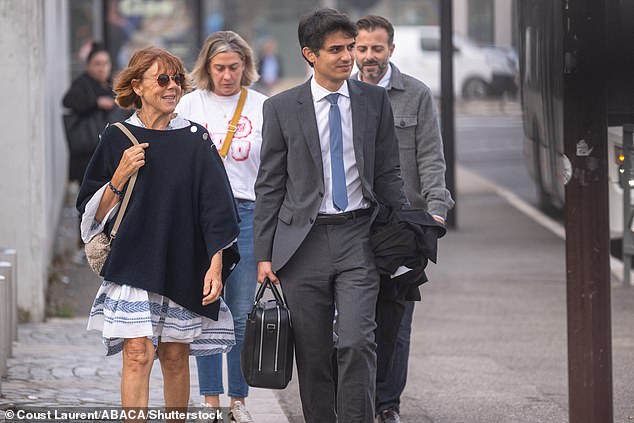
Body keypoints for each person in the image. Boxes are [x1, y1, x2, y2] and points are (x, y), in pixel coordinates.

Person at [253, 9, 408, 423]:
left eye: (350, 48)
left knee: (358, 341)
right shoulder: (282, 108)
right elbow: (269, 184)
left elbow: (389, 172)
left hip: (359, 236)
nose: (347, 57)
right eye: (336, 50)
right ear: (309, 54)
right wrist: (263, 255)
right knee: (314, 352)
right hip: (301, 245)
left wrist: (406, 234)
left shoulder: (374, 102)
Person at [76, 46, 240, 414]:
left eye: (177, 79)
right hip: (134, 260)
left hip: (184, 259)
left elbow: (216, 209)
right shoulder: (116, 136)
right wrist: (119, 175)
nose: (172, 87)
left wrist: (215, 265)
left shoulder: (196, 139)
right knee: (137, 353)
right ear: (137, 85)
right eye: (162, 79)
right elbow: (91, 214)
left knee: (175, 355)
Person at [354, 15, 455, 423]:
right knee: (355, 320)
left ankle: (387, 405)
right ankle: (356, 399)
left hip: (402, 225)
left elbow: (431, 157)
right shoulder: (344, 92)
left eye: (377, 48)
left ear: (391, 50)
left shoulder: (414, 94)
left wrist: (435, 210)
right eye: (361, 48)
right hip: (354, 223)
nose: (368, 56)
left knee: (396, 321)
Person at [176, 30, 267, 423]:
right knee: (208, 305)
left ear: (245, 66)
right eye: (219, 68)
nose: (227, 75)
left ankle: (239, 401)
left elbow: (274, 168)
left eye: (234, 67)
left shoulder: (264, 106)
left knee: (243, 309)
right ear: (206, 68)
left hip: (247, 211)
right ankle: (211, 400)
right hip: (200, 217)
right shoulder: (189, 104)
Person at [63, 41, 122, 184]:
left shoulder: (112, 85)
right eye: (97, 64)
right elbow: (68, 101)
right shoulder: (82, 83)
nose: (102, 68)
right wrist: (96, 102)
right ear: (88, 65)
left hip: (109, 154)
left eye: (105, 63)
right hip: (86, 155)